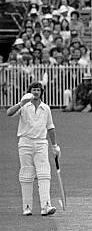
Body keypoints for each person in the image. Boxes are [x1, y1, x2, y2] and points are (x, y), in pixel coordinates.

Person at [6, 82, 61, 216]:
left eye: (38, 90)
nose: (36, 92)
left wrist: (55, 146)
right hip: (25, 142)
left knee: (44, 174)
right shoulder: (24, 105)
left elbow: (50, 127)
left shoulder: (46, 108)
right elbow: (9, 113)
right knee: (26, 173)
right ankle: (27, 206)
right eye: (34, 90)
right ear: (30, 91)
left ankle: (46, 206)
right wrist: (21, 103)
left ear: (42, 92)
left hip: (41, 143)